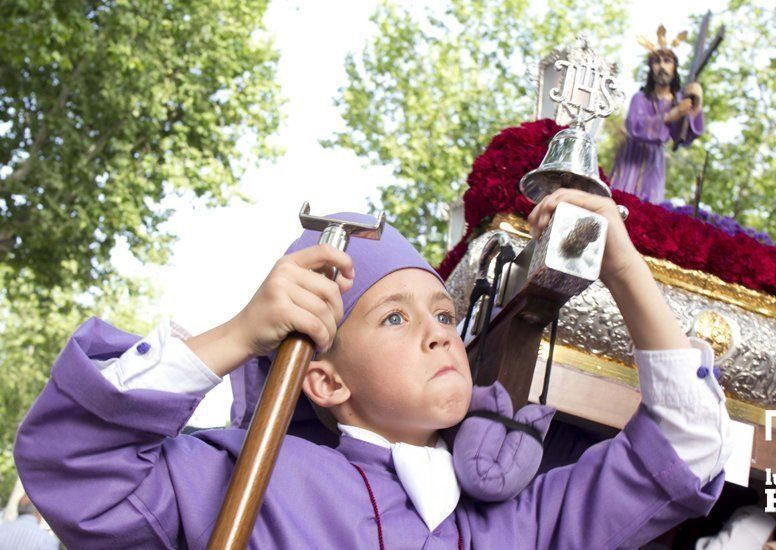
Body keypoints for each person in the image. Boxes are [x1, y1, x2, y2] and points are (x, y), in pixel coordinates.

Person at [15, 190, 732, 548]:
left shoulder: (517, 523)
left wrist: (626, 269)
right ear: (324, 381)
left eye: (444, 315)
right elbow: (76, 464)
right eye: (395, 317)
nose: (437, 334)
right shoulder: (244, 479)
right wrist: (239, 334)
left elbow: (687, 450)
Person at [610, 26, 705, 203]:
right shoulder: (640, 98)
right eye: (657, 62)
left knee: (648, 213)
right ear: (651, 68)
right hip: (631, 158)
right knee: (619, 202)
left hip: (654, 164)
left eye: (667, 61)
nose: (662, 66)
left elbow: (683, 137)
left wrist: (696, 106)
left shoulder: (679, 100)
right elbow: (635, 127)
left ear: (674, 67)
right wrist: (670, 116)